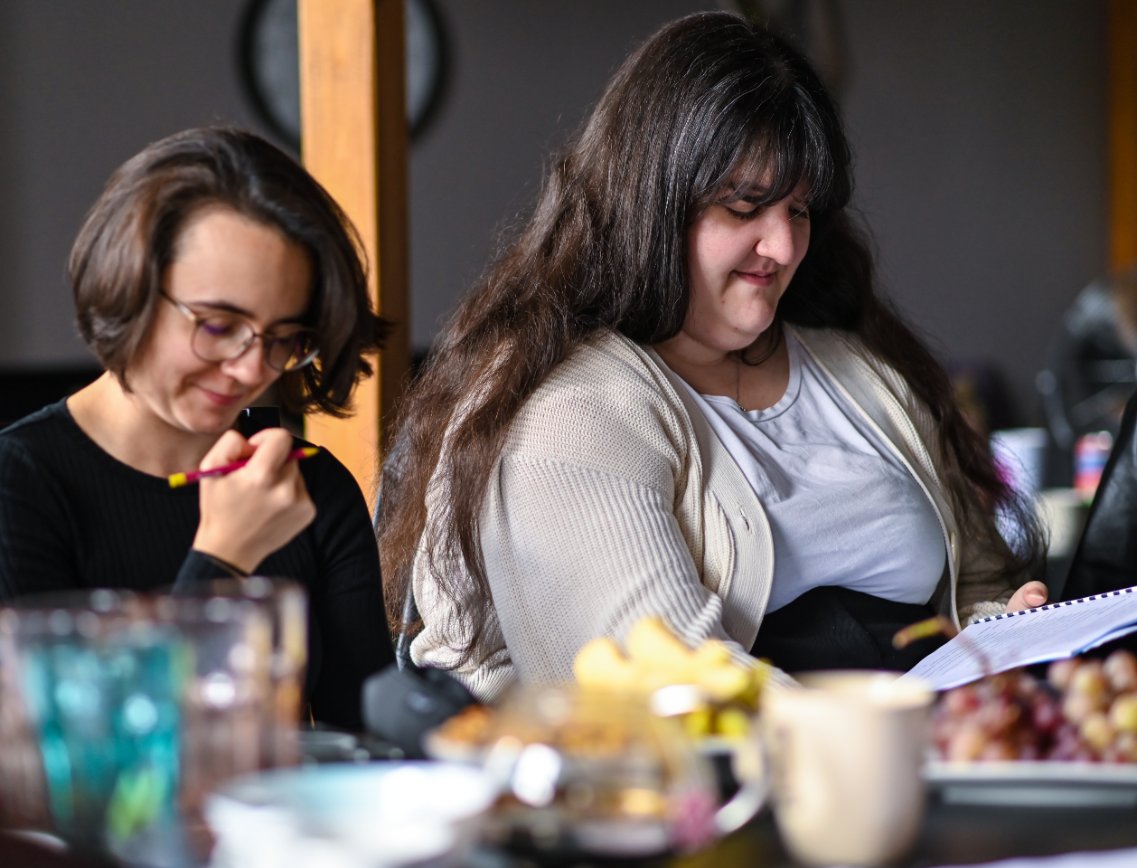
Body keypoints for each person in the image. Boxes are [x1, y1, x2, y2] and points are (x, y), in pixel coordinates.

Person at [378, 12, 1048, 704]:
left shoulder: (860, 372)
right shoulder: (571, 415)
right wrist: (892, 732)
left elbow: (975, 587)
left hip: (922, 743)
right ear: (653, 204)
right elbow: (677, 685)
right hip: (757, 762)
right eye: (744, 207)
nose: (783, 247)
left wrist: (1005, 627)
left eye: (797, 210)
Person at [0, 126, 394, 729]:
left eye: (285, 338)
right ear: (129, 283)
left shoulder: (310, 488)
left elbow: (367, 740)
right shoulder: (20, 484)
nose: (252, 370)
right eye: (217, 325)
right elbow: (84, 754)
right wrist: (224, 558)